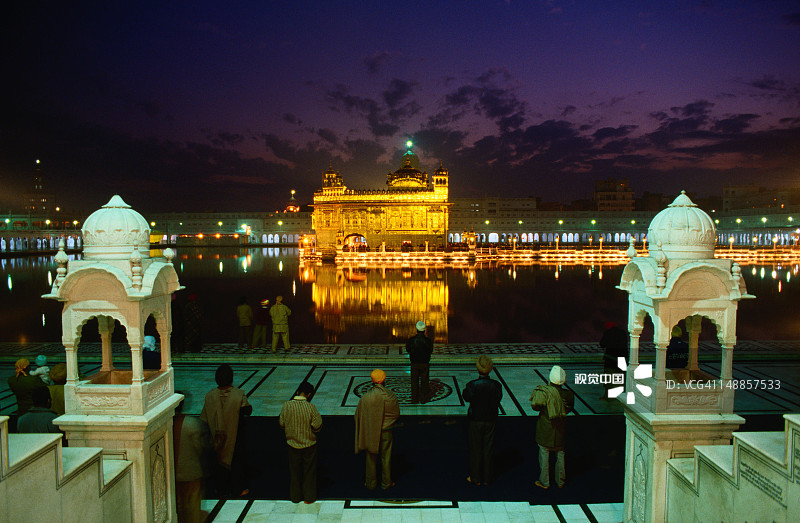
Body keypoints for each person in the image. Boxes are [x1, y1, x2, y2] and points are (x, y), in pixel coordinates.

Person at [200, 364, 252, 497]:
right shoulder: (238, 394)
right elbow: (247, 410)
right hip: (234, 435)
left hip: (215, 435)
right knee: (236, 462)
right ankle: (237, 489)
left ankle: (220, 488)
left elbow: (204, 418)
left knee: (218, 461)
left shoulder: (210, 395)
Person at [355, 369, 400, 490]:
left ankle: (370, 483)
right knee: (386, 457)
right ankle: (386, 483)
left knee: (370, 457)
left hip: (371, 431)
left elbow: (358, 415)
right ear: (384, 380)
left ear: (372, 381)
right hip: (386, 431)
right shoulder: (390, 395)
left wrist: (371, 424)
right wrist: (385, 424)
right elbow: (395, 414)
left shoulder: (366, 397)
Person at [531, 365, 574, 489]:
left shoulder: (545, 392)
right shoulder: (569, 395)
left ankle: (545, 481)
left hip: (545, 427)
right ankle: (560, 481)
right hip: (560, 428)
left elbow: (535, 406)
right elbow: (569, 408)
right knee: (560, 453)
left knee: (544, 453)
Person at [279, 381, 323, 503]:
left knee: (295, 472)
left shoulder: (286, 405)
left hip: (292, 444)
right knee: (309, 472)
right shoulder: (310, 407)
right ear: (308, 395)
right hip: (309, 444)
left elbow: (281, 423)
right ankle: (309, 497)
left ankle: (295, 497)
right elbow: (317, 424)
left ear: (298, 392)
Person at [462, 355, 503, 486]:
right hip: (490, 419)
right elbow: (497, 399)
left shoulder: (472, 385)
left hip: (475, 419)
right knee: (488, 448)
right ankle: (487, 478)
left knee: (475, 448)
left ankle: (475, 477)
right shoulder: (497, 385)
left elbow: (466, 397)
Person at [174, 394, 213, 523]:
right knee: (193, 509)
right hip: (191, 474)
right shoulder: (192, 424)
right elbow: (200, 447)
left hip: (173, 475)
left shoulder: (165, 426)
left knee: (178, 509)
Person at [405, 320, 433, 404]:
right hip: (424, 363)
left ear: (416, 330)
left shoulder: (411, 340)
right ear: (424, 330)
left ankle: (414, 399)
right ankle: (424, 399)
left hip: (414, 363)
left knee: (414, 381)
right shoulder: (428, 340)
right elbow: (430, 350)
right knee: (424, 382)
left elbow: (408, 349)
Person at [599, 322, 628, 400]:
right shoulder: (622, 333)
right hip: (622, 358)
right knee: (622, 377)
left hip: (610, 358)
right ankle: (623, 396)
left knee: (608, 378)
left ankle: (607, 396)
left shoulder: (608, 333)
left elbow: (602, 344)